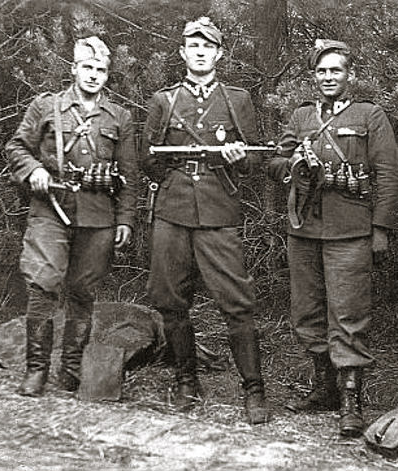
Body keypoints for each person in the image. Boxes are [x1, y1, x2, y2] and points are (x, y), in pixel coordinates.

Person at [265, 39, 398, 437]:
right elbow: (274, 162)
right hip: (304, 228)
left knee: (348, 314)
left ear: (349, 75)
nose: (328, 77)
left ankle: (350, 400)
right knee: (306, 311)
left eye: (336, 70)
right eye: (322, 71)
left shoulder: (369, 115)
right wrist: (292, 164)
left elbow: (389, 173)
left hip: (350, 229)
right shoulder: (301, 116)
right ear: (314, 76)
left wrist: (381, 229)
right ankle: (324, 388)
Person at [140, 17, 270, 424]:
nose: (200, 52)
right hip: (173, 208)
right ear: (183, 53)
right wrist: (171, 172)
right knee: (170, 299)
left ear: (219, 54)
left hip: (217, 209)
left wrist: (237, 158)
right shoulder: (164, 100)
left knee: (237, 302)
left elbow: (255, 161)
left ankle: (254, 389)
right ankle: (186, 381)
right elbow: (147, 159)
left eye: (207, 46)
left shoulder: (237, 99)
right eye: (193, 46)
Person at [7, 36, 137, 397]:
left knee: (83, 291)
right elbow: (16, 147)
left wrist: (125, 219)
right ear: (74, 69)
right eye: (87, 67)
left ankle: (70, 370)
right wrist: (33, 169)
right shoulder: (46, 106)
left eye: (101, 70)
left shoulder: (119, 117)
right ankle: (36, 370)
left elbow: (129, 174)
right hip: (50, 208)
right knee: (43, 283)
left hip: (98, 215)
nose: (93, 75)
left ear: (107, 74)